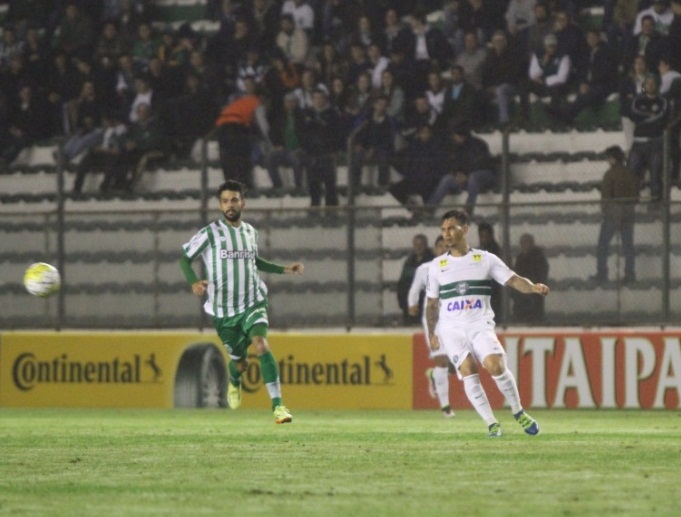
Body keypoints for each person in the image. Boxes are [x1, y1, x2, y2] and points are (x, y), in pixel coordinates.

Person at [179, 179, 304, 424]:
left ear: (242, 202)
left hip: (252, 302)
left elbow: (254, 262)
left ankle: (278, 407)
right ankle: (234, 381)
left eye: (234, 200)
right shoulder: (209, 233)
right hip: (224, 313)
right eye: (225, 201)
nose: (229, 204)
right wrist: (194, 281)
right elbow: (184, 259)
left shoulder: (250, 232)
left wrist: (284, 269)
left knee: (261, 344)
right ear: (220, 205)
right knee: (241, 364)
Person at [425, 209, 549, 437]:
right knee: (468, 370)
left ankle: (518, 412)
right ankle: (492, 423)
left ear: (465, 229)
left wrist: (532, 287)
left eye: (451, 228)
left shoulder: (484, 259)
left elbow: (513, 279)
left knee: (495, 365)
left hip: (479, 325)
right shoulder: (437, 266)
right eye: (443, 230)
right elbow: (432, 304)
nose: (447, 234)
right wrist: (433, 333)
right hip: (451, 330)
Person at [407, 236, 457, 418]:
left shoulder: (459, 268)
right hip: (433, 320)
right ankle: (446, 408)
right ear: (435, 249)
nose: (443, 250)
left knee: (455, 365)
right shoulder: (425, 269)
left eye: (447, 247)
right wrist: (412, 303)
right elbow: (414, 288)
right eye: (440, 247)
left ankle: (435, 376)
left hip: (455, 320)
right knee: (442, 361)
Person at [591, 146, 639, 285]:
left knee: (602, 245)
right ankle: (630, 274)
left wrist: (607, 211)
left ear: (612, 158)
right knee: (628, 246)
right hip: (628, 213)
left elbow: (606, 197)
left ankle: (602, 273)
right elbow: (636, 195)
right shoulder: (630, 173)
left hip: (612, 215)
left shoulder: (610, 174)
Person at [426, 126, 496, 216]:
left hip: (484, 175)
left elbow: (482, 163)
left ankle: (469, 208)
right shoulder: (456, 146)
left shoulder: (479, 144)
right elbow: (451, 163)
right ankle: (429, 208)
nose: (454, 138)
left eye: (456, 135)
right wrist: (456, 174)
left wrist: (466, 174)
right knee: (447, 179)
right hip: (465, 178)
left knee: (473, 177)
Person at [397, 234, 435, 325]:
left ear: (425, 245)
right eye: (416, 245)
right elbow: (402, 283)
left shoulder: (432, 261)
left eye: (421, 245)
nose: (418, 247)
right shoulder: (409, 262)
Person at [512, 233, 549, 323]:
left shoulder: (538, 257)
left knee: (534, 317)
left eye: (526, 242)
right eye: (522, 243)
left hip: (533, 294)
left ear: (532, 243)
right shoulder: (520, 257)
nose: (523, 245)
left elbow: (541, 273)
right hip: (521, 294)